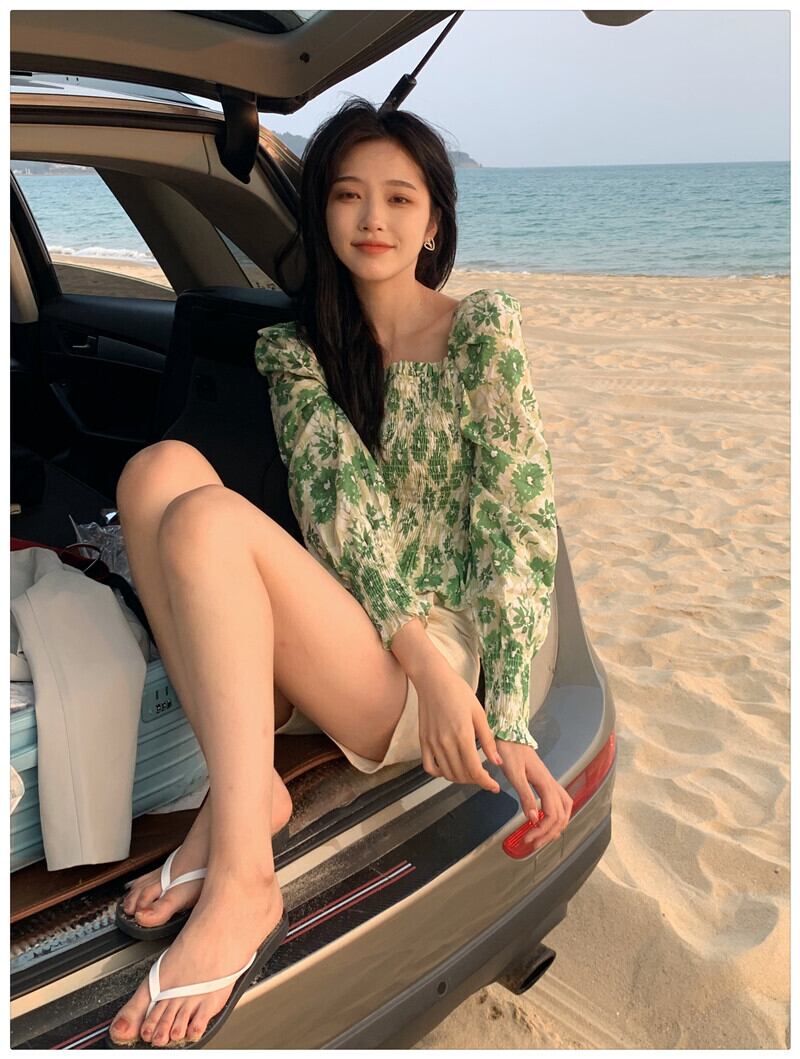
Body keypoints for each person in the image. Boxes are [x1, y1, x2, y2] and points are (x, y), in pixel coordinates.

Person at [108, 97, 572, 1049]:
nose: (373, 218)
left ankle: (245, 879)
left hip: (435, 668)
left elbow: (516, 528)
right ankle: (251, 796)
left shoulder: (481, 332)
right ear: (321, 211)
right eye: (350, 195)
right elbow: (339, 513)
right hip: (361, 631)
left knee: (205, 517)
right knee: (156, 472)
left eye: (400, 199)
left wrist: (500, 710)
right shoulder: (299, 351)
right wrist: (406, 645)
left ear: (434, 222)